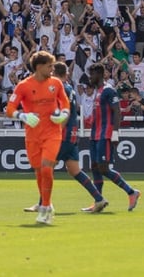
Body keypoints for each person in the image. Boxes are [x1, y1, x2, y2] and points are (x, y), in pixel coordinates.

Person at [25, 63, 106, 214]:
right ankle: (99, 198)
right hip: (73, 134)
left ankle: (44, 204)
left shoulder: (58, 89)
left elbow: (62, 114)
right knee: (74, 170)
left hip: (61, 135)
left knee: (45, 167)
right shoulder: (69, 89)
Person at [5, 51, 70, 225]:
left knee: (47, 167)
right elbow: (9, 108)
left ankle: (45, 207)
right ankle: (47, 203)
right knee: (39, 172)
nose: (52, 69)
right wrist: (22, 116)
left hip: (52, 132)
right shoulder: (23, 86)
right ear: (39, 67)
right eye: (49, 66)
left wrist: (64, 113)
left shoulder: (56, 83)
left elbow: (65, 102)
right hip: (32, 135)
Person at [86, 64, 141, 211]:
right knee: (95, 167)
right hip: (95, 134)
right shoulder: (97, 91)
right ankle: (99, 201)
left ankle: (131, 192)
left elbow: (117, 112)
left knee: (103, 168)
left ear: (99, 73)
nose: (90, 77)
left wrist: (116, 133)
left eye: (92, 75)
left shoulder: (108, 90)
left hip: (105, 134)